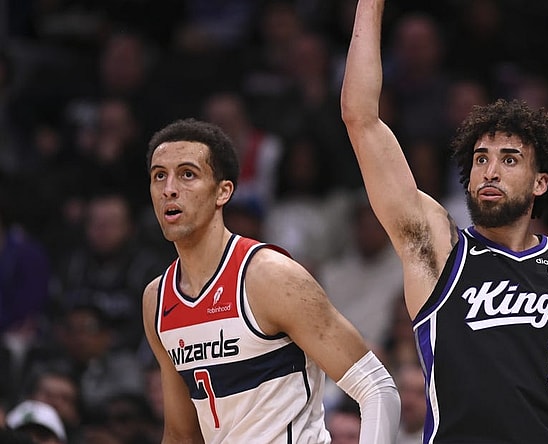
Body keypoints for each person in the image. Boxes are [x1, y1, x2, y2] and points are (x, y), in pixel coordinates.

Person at [340, 1, 548, 442]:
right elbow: (361, 119)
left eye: (509, 159)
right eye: (481, 158)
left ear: (540, 183)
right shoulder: (440, 251)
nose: (490, 170)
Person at [142, 118, 400, 443]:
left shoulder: (270, 277)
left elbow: (377, 387)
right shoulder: (157, 299)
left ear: (223, 192)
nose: (169, 189)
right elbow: (181, 435)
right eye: (159, 176)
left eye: (187, 174)